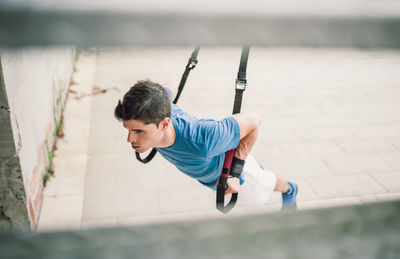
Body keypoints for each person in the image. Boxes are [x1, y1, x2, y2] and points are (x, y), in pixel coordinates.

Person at [114, 80, 298, 211]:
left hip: (242, 177)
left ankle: (289, 189)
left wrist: (235, 172)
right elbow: (168, 86)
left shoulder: (203, 139)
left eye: (138, 131)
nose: (130, 139)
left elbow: (255, 121)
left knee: (264, 185)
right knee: (262, 173)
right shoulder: (160, 109)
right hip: (217, 164)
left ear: (164, 124)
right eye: (128, 130)